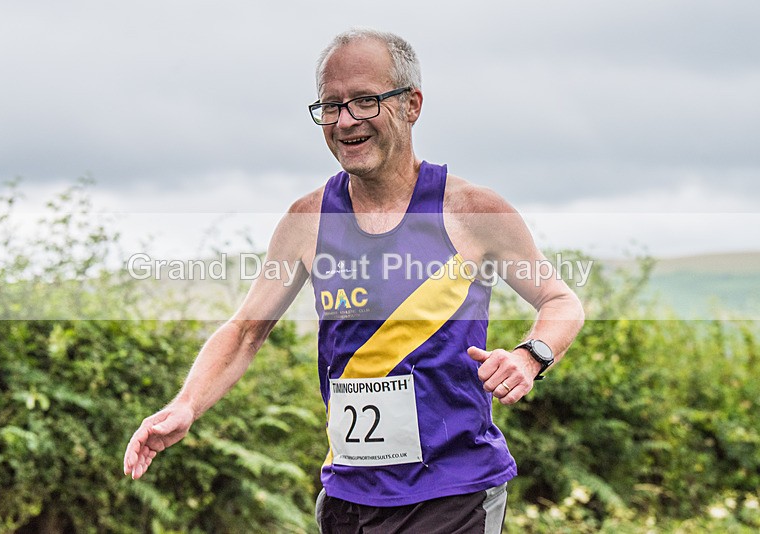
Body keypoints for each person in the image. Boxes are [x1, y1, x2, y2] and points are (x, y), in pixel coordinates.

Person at [124, 28, 584, 533]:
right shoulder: (309, 220)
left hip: (453, 491)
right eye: (331, 106)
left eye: (365, 101)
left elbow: (560, 300)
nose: (345, 122)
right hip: (348, 495)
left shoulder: (472, 210)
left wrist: (529, 355)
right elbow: (244, 330)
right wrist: (184, 406)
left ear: (412, 104)